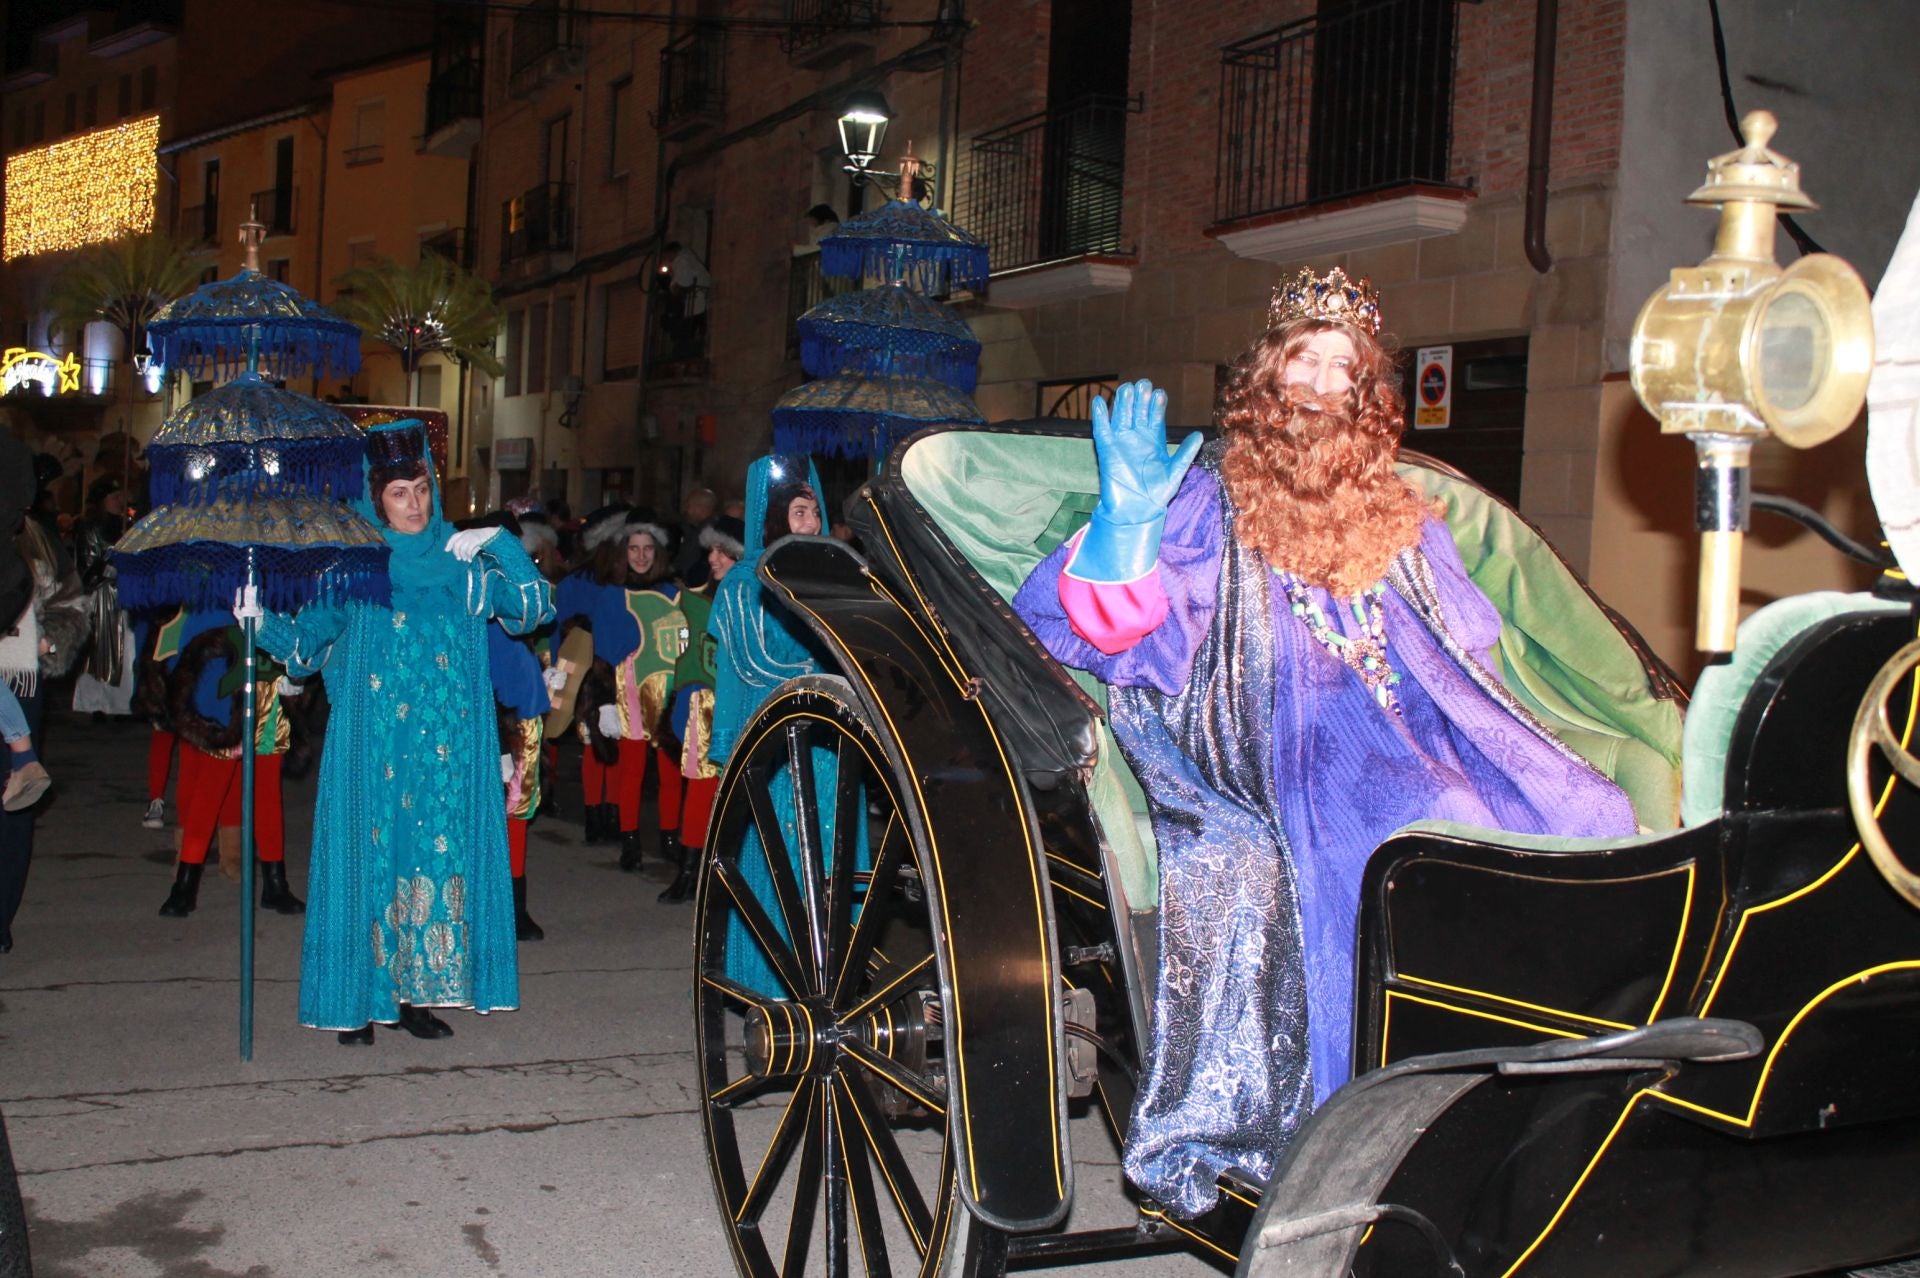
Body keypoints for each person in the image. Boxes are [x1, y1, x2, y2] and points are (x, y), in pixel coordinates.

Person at [1012, 268, 1639, 1217]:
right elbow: (1114, 629)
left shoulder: (1399, 515)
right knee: (1400, 834)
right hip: (1251, 730)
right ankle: (1362, 1128)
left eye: (1341, 367)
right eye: (1302, 357)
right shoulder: (1208, 494)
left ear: (1366, 395)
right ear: (1266, 374)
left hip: (1399, 727)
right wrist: (1127, 522)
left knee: (1573, 809)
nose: (1317, 383)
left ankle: (1526, 1093)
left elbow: (1466, 647)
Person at [254, 420, 553, 1044]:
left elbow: (533, 610)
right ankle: (360, 1000)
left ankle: (417, 995)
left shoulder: (463, 569)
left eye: (421, 489)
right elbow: (307, 650)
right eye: (399, 493)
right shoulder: (354, 572)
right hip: (371, 748)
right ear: (375, 499)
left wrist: (500, 539)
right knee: (369, 863)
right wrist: (261, 619)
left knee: (432, 859)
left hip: (446, 755)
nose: (414, 504)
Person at [707, 456, 837, 992]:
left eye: (814, 512)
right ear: (774, 519)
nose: (809, 524)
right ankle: (770, 985)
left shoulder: (832, 575)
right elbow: (759, 663)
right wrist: (829, 673)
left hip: (827, 744)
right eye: (799, 512)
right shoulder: (743, 584)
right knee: (779, 858)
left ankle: (829, 983)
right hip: (774, 744)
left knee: (829, 857)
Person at [0, 436, 89, 955]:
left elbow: (72, 600)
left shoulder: (38, 540)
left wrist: (51, 637)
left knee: (12, 808)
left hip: (19, 683)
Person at [154, 611, 305, 917]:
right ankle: (185, 884)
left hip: (268, 702)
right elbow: (189, 657)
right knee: (208, 796)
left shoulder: (278, 592)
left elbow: (294, 646)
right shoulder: (211, 600)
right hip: (225, 705)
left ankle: (275, 884)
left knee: (267, 797)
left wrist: (292, 674)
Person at [564, 514, 687, 873]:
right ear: (623, 552)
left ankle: (669, 838)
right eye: (634, 549)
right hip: (628, 691)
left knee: (669, 771)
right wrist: (604, 703)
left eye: (648, 549)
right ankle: (629, 841)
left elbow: (679, 645)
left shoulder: (672, 593)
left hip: (665, 693)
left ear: (658, 552)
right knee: (631, 771)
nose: (641, 556)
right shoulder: (611, 595)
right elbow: (603, 653)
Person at [658, 513, 744, 902]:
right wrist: (679, 698)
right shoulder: (691, 601)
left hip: (745, 703)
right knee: (700, 787)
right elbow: (679, 656)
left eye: (724, 552)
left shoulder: (751, 602)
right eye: (711, 550)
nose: (714, 558)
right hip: (705, 704)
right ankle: (690, 872)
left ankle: (729, 874)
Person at [71, 476, 135, 717]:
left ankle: (122, 702)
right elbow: (87, 567)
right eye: (114, 498)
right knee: (104, 648)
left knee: (126, 648)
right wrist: (109, 562)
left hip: (124, 592)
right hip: (104, 595)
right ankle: (96, 701)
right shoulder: (90, 527)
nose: (120, 501)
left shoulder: (125, 525)